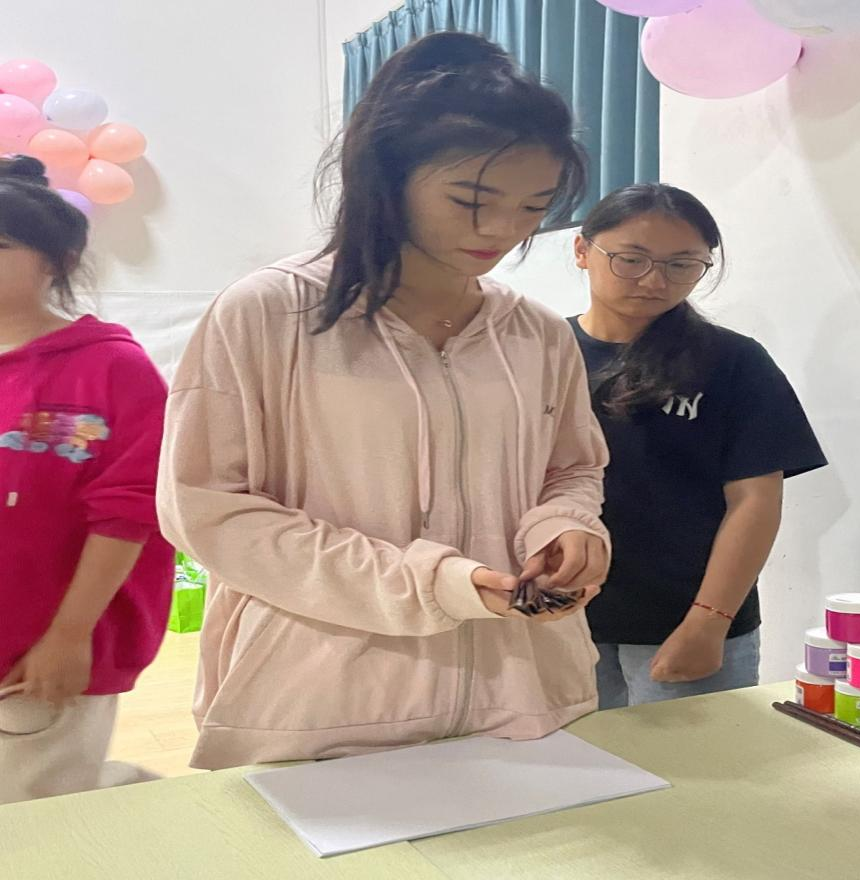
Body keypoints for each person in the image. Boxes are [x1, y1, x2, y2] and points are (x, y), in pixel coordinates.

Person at [157, 33, 610, 769]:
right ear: (388, 177)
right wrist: (432, 584)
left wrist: (566, 524)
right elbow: (208, 507)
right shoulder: (271, 313)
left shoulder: (536, 333)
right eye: (470, 200)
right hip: (318, 698)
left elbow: (572, 468)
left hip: (520, 688)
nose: (503, 231)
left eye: (534, 205)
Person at [570, 183, 827, 709]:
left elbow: (755, 501)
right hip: (559, 619)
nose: (654, 280)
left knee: (692, 763)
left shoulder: (733, 362)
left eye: (682, 265)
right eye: (631, 259)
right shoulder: (541, 354)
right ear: (582, 250)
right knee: (570, 760)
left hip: (686, 619)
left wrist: (710, 620)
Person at [0, 156, 171, 803]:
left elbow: (129, 511)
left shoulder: (112, 369)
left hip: (42, 649)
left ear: (58, 261)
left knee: (36, 810)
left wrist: (68, 636)